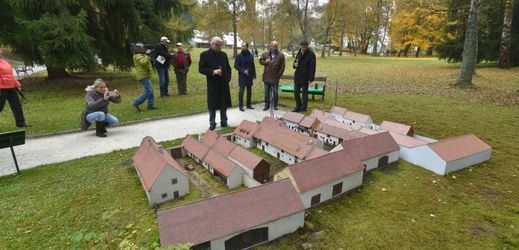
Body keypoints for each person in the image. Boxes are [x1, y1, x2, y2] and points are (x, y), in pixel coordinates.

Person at [198, 36, 232, 130]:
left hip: (223, 83)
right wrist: (213, 72)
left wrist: (228, 77)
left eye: (220, 45)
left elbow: (228, 68)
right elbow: (201, 69)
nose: (219, 47)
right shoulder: (205, 54)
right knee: (212, 104)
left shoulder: (223, 55)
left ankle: (224, 122)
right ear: (212, 44)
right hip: (213, 83)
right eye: (217, 45)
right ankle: (212, 123)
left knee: (223, 103)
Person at [0, 48, 28, 128]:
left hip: (11, 87)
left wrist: (17, 84)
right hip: (1, 87)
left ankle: (21, 123)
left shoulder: (5, 62)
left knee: (16, 105)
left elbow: (10, 75)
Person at [259, 41, 285, 111]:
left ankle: (275, 105)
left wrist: (278, 76)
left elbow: (282, 67)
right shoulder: (265, 54)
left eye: (276, 46)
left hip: (275, 78)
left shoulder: (281, 55)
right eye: (273, 46)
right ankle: (266, 105)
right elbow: (260, 61)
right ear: (271, 46)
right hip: (266, 77)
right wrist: (265, 62)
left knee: (275, 93)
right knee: (266, 93)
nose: (275, 48)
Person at [292, 41, 316, 112]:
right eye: (302, 46)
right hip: (297, 76)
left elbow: (313, 67)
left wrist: (311, 78)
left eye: (304, 46)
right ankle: (298, 106)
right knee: (296, 92)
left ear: (307, 46)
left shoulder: (311, 54)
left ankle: (303, 108)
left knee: (304, 94)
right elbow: (295, 62)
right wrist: (294, 65)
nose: (303, 47)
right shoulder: (299, 52)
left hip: (305, 77)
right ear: (300, 46)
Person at [132, 47, 157, 111]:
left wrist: (150, 53)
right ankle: (136, 102)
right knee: (149, 91)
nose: (143, 48)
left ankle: (150, 106)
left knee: (150, 90)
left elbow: (147, 61)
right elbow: (144, 62)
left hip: (145, 74)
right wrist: (147, 54)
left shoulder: (141, 55)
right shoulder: (137, 55)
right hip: (142, 75)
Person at [234, 42, 256, 111]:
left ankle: (248, 104)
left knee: (249, 91)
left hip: (249, 76)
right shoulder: (238, 56)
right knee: (241, 91)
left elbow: (253, 65)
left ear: (247, 47)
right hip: (242, 76)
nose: (243, 47)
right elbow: (236, 66)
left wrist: (254, 74)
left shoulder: (251, 55)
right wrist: (243, 71)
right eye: (242, 46)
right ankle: (241, 105)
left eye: (244, 46)